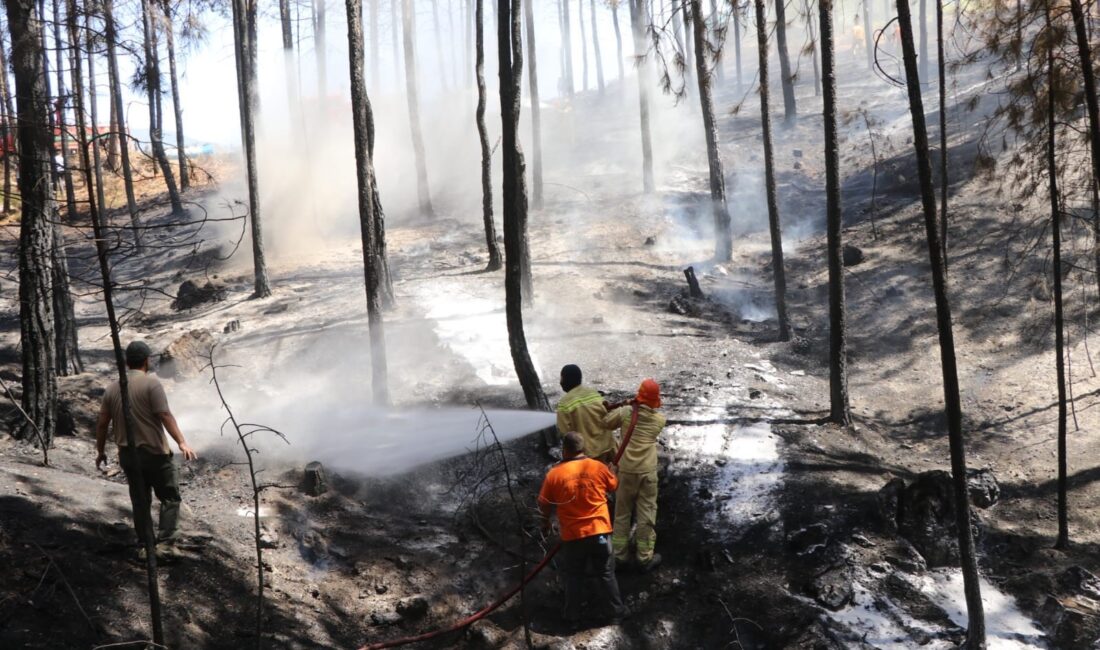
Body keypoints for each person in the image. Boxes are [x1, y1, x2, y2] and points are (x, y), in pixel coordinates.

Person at [96, 341, 197, 552]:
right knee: (169, 497)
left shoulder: (113, 388)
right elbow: (165, 415)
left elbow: (103, 423)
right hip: (155, 454)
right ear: (146, 361)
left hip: (128, 455)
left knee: (140, 500)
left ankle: (145, 543)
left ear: (126, 362)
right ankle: (167, 544)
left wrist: (100, 451)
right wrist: (181, 442)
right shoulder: (152, 384)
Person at [538, 431, 627, 627]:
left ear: (565, 450)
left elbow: (543, 502)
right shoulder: (597, 467)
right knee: (605, 573)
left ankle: (572, 619)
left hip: (573, 536)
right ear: (582, 448)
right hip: (600, 533)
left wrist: (545, 522)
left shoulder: (554, 474)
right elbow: (613, 485)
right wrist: (612, 472)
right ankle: (616, 614)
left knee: (574, 576)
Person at [601, 378, 666, 571]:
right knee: (646, 515)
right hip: (647, 473)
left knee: (622, 514)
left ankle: (620, 556)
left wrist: (625, 406)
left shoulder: (626, 413)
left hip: (626, 471)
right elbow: (648, 416)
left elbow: (606, 422)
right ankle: (644, 557)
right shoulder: (659, 421)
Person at [556, 364, 615, 462]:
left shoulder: (564, 404)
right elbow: (608, 413)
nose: (560, 382)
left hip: (589, 453)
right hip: (607, 446)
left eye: (561, 378)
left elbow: (565, 432)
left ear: (565, 380)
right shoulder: (593, 393)